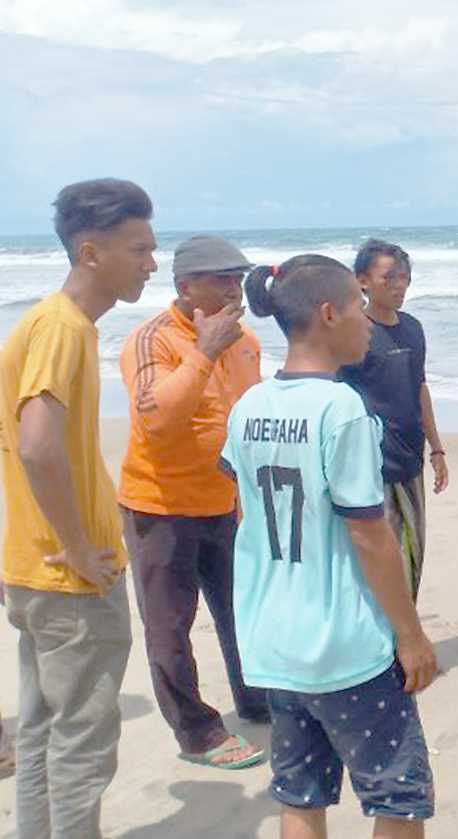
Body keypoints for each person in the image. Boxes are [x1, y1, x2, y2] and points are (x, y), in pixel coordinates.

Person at [223, 255, 439, 839]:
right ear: (327, 314)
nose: (368, 321)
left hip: (275, 644)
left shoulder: (249, 406)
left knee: (302, 797)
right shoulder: (341, 410)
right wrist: (411, 635)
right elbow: (370, 534)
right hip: (346, 648)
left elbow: (243, 504)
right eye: (357, 308)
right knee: (398, 799)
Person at [0, 178, 156, 838]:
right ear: (90, 253)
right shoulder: (62, 328)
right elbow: (36, 445)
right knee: (81, 751)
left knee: (41, 735)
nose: (152, 262)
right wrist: (78, 544)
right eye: (139, 248)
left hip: (35, 569)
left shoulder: (47, 324)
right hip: (71, 577)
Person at [117, 234, 268, 771]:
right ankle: (197, 732)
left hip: (226, 504)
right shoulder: (152, 339)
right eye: (222, 279)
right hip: (160, 508)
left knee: (242, 612)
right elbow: (158, 420)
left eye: (238, 277)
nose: (235, 288)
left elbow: (249, 418)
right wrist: (205, 350)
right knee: (170, 627)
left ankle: (255, 700)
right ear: (186, 287)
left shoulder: (246, 340)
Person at [339, 239, 448, 603]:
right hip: (368, 463)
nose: (399, 285)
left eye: (405, 277)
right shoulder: (353, 331)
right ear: (363, 282)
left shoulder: (413, 329)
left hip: (410, 457)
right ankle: (384, 642)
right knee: (378, 557)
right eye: (390, 277)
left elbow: (420, 388)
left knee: (413, 548)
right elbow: (335, 399)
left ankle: (403, 634)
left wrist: (437, 448)